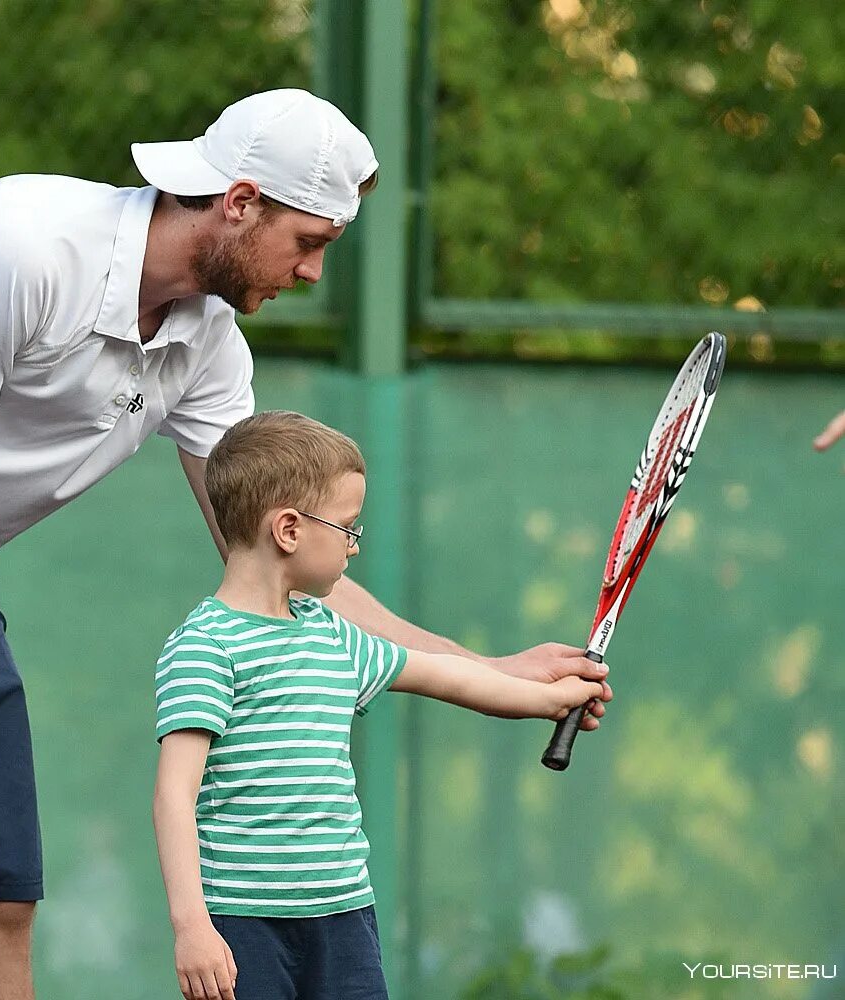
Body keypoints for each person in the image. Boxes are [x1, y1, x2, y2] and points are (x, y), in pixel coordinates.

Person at [0, 89, 611, 1000]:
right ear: (241, 201)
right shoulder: (24, 246)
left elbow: (283, 561)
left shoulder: (208, 344)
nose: (310, 275)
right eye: (310, 243)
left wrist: (490, 670)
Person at [151, 411, 607, 1000]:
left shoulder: (331, 634)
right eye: (347, 527)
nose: (354, 546)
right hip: (239, 926)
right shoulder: (204, 647)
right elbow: (173, 796)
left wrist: (556, 696)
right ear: (288, 530)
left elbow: (453, 677)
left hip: (345, 919)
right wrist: (193, 928)